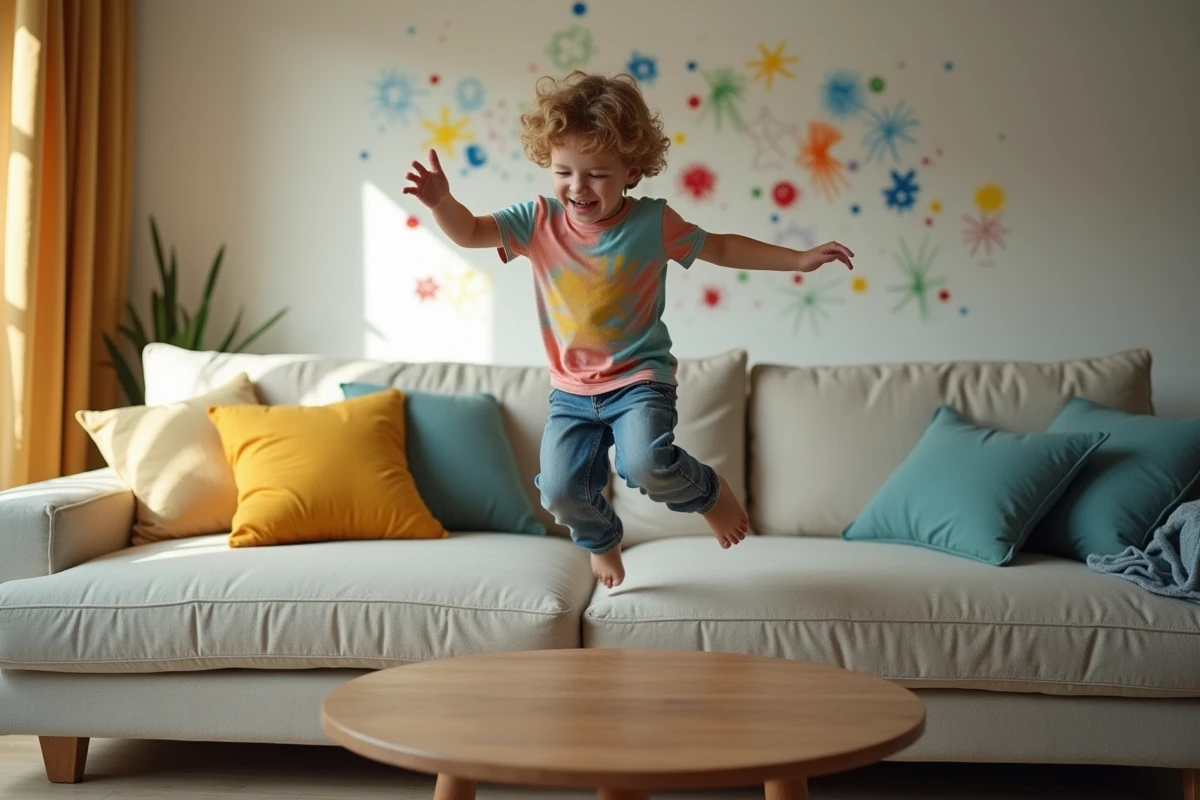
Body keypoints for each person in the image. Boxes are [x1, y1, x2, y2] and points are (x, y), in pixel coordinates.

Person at [404, 71, 853, 588]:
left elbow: (723, 248)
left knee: (644, 464)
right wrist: (442, 203)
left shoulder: (652, 224)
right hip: (570, 392)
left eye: (596, 173)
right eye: (563, 171)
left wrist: (797, 258)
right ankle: (602, 540)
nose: (577, 187)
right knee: (558, 489)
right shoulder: (536, 221)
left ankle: (710, 494)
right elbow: (471, 232)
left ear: (631, 170)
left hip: (640, 380)